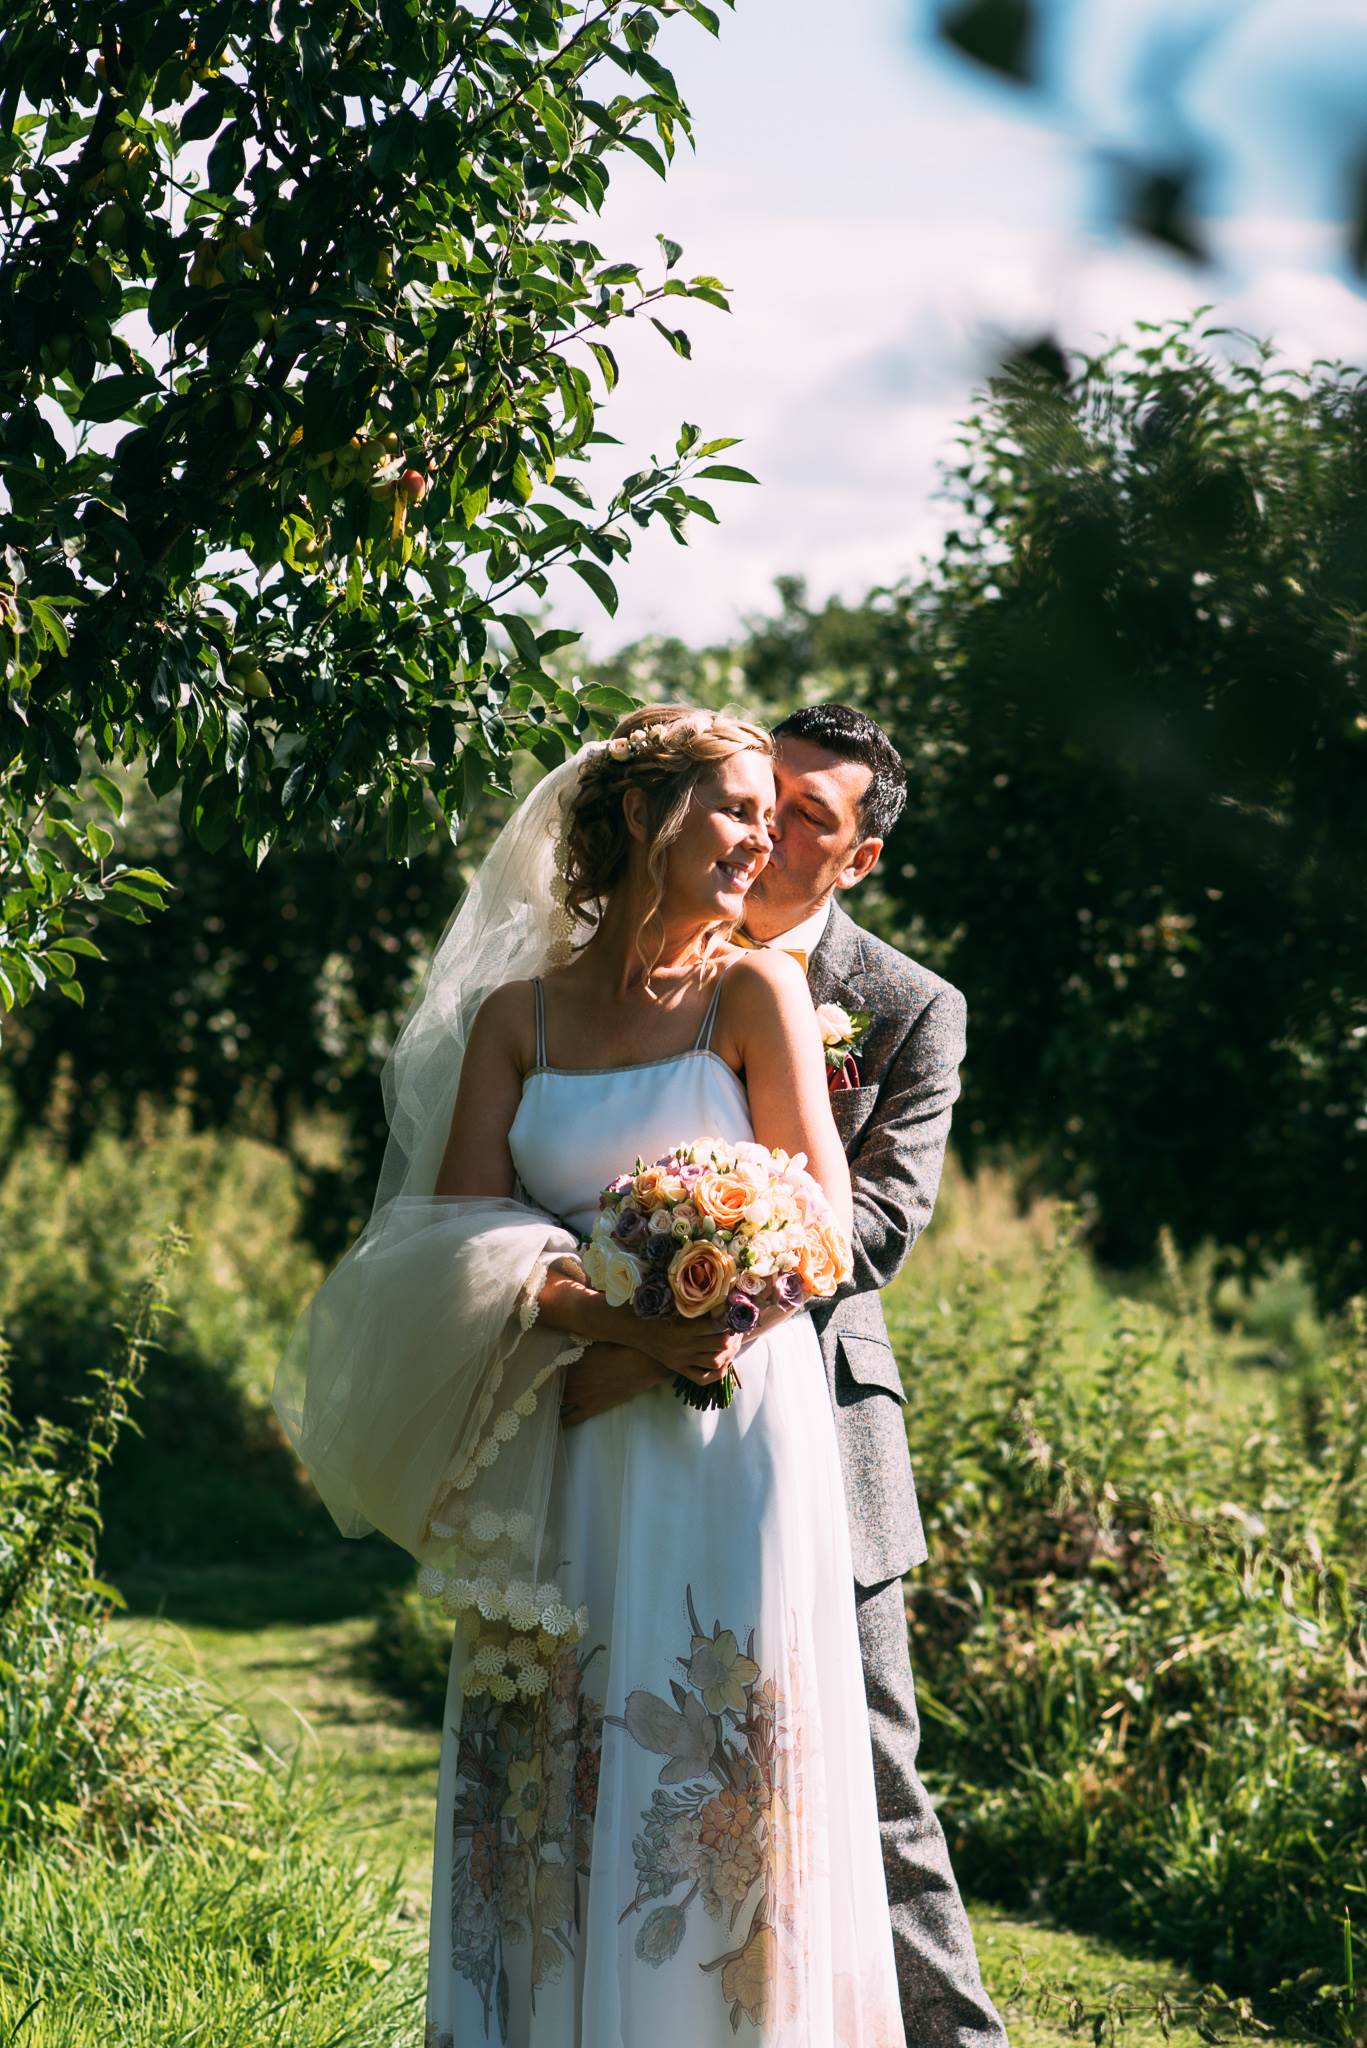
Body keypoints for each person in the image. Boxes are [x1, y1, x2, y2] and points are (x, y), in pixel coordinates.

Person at [272, 706, 906, 2048]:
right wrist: (616, 1329)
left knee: (709, 1728)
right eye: (737, 809)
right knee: (561, 1740)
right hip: (568, 1420)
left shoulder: (755, 993)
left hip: (730, 1429)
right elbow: (446, 1249)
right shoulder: (518, 1018)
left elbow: (823, 1226)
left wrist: (703, 1313)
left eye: (774, 817)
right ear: (644, 817)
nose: (762, 839)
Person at [560, 704, 1008, 2048]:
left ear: (857, 859)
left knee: (863, 1767)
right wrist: (630, 1304)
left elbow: (871, 1224)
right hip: (609, 1401)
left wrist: (716, 1270)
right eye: (768, 798)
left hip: (809, 1421)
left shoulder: (908, 1006)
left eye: (812, 816)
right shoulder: (624, 970)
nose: (775, 832)